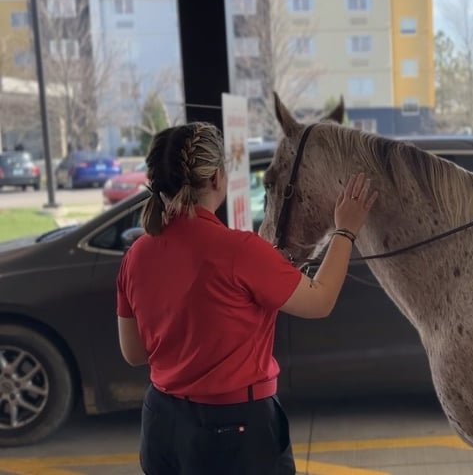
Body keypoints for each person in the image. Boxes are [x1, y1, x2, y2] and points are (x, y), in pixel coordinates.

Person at [116, 122, 378, 475]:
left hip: (162, 423)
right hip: (234, 431)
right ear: (216, 178)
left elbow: (134, 353)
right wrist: (345, 229)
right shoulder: (241, 251)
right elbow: (320, 301)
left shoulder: (137, 254)